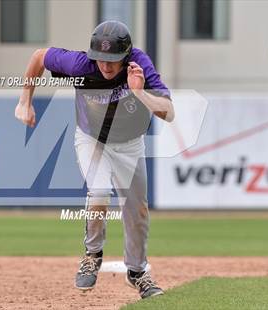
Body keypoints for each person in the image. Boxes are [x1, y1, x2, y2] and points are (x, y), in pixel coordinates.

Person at [15, 20, 174, 299]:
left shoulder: (140, 65)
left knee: (137, 211)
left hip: (129, 143)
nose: (106, 66)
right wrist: (24, 100)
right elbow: (39, 57)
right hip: (92, 138)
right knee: (99, 192)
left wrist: (140, 92)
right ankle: (92, 254)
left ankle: (137, 273)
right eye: (100, 59)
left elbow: (168, 112)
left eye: (113, 60)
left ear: (126, 55)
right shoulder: (81, 65)